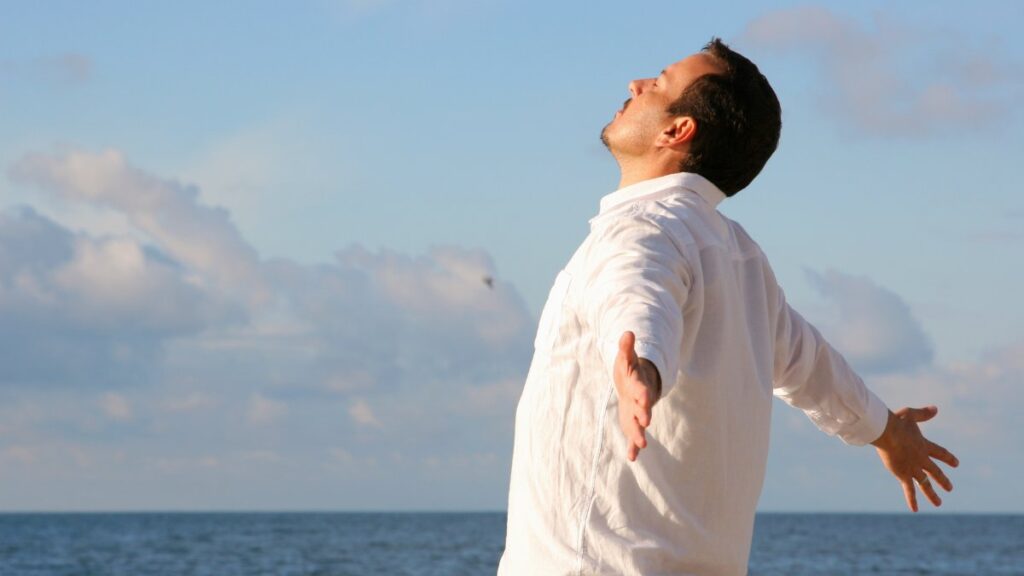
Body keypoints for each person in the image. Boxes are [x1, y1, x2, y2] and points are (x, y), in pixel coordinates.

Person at [497, 38, 959, 575]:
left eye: (657, 84)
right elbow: (812, 368)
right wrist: (887, 431)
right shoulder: (741, 259)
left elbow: (637, 293)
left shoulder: (640, 229)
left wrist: (642, 367)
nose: (635, 85)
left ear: (677, 131)